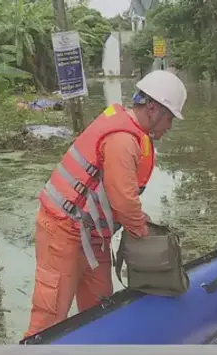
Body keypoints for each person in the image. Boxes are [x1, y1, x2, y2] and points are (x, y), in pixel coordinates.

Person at [24, 70, 187, 337]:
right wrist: (144, 235)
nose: (169, 126)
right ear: (153, 108)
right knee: (50, 314)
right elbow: (123, 200)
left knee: (99, 301)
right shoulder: (123, 140)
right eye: (169, 118)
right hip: (62, 229)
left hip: (93, 235)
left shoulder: (134, 134)